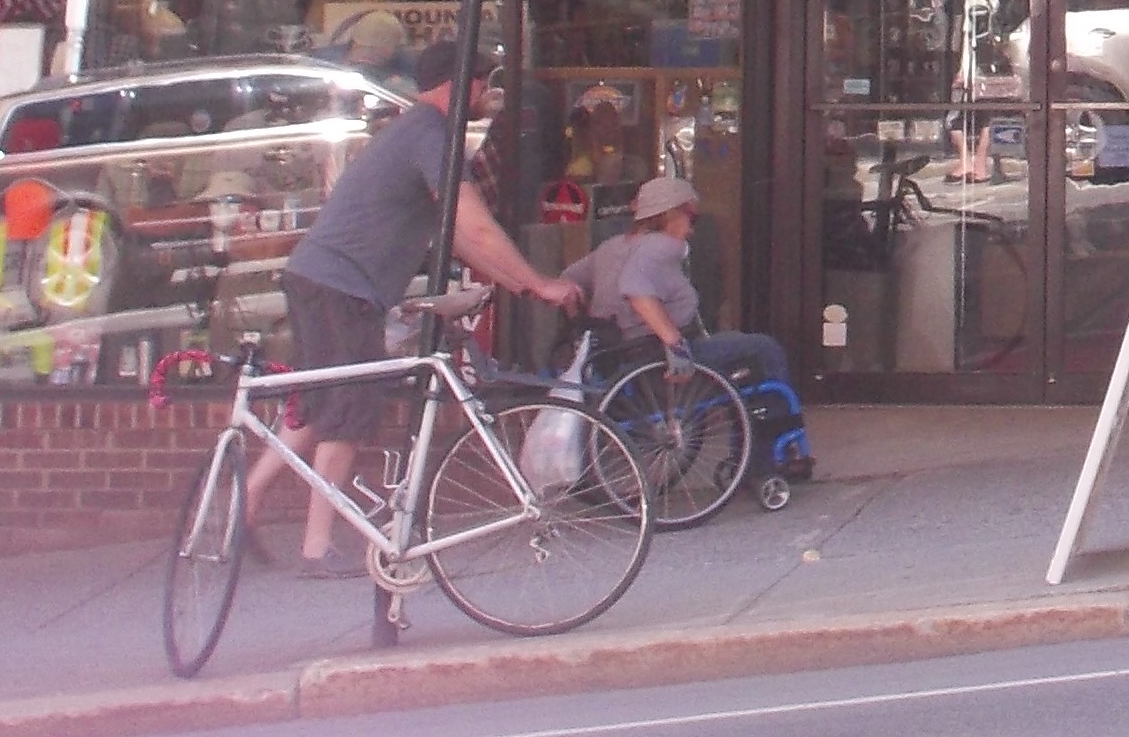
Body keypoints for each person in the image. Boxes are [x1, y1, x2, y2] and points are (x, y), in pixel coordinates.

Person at [248, 41, 582, 577]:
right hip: (343, 285)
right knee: (348, 409)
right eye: (482, 81)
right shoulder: (433, 136)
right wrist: (538, 283)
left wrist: (518, 283)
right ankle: (317, 548)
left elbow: (460, 237)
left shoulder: (416, 132)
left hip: (320, 276)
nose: (487, 92)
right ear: (458, 84)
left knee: (320, 400)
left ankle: (247, 501)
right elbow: (473, 226)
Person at [564, 171, 789, 391]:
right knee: (765, 348)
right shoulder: (661, 244)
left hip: (616, 357)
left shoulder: (611, 246)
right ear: (673, 214)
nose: (691, 230)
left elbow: (567, 283)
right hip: (655, 354)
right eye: (692, 218)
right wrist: (675, 345)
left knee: (735, 339)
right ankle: (778, 423)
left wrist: (582, 327)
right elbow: (634, 287)